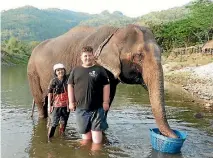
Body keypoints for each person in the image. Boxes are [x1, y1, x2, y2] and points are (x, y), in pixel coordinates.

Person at [67, 46, 110, 144]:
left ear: (93, 56)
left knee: (97, 140)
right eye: (85, 56)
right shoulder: (76, 70)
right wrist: (71, 102)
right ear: (81, 57)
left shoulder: (100, 70)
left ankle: (95, 153)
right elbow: (70, 86)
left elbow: (106, 86)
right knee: (86, 138)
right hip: (81, 108)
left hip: (97, 108)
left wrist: (106, 102)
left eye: (90, 55)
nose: (88, 58)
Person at [47, 63, 70, 140]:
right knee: (54, 123)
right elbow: (50, 93)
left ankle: (61, 137)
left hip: (65, 105)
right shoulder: (53, 81)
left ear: (64, 70)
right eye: (58, 70)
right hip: (56, 105)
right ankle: (49, 139)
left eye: (62, 70)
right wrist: (49, 106)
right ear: (55, 72)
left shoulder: (68, 79)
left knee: (64, 122)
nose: (60, 72)